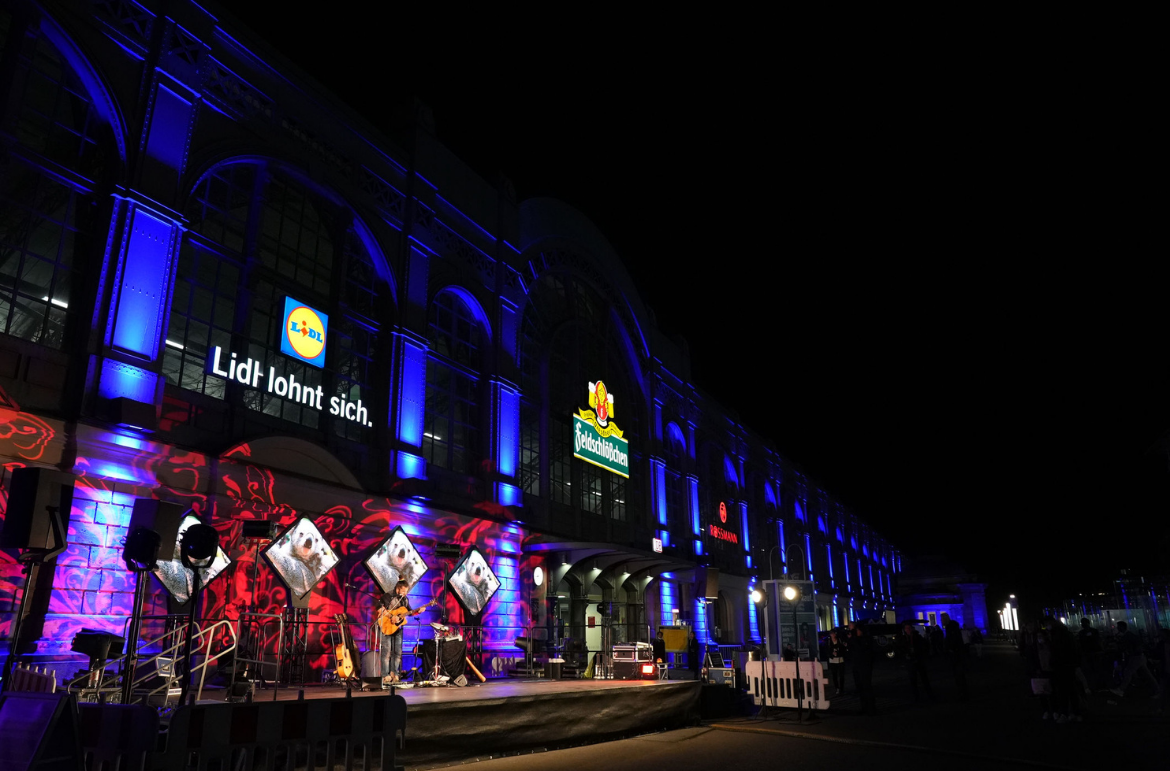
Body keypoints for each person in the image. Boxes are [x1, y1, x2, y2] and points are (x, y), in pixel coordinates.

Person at [378, 579, 422, 688]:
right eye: (403, 591)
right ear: (398, 589)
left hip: (398, 628)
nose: (405, 593)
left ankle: (394, 674)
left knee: (397, 653)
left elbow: (409, 612)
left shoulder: (405, 600)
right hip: (387, 626)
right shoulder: (388, 596)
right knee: (386, 652)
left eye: (406, 591)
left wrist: (418, 611)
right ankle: (385, 675)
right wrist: (391, 616)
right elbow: (380, 610)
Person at [1111, 621, 1161, 699]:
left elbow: (1126, 647)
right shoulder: (1129, 635)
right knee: (1147, 675)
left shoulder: (1127, 636)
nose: (1117, 628)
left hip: (1136, 657)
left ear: (1122, 627)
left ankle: (1121, 689)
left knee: (1128, 672)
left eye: (1118, 626)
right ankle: (1158, 689)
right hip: (1139, 657)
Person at [897, 621, 933, 702]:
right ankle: (916, 697)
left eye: (909, 628)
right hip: (910, 662)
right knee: (913, 681)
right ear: (904, 630)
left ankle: (930, 695)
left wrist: (919, 653)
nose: (908, 630)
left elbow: (925, 646)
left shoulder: (917, 637)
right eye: (906, 628)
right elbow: (900, 649)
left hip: (919, 660)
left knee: (924, 679)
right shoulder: (903, 638)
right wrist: (905, 655)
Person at [941, 612, 969, 701]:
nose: (941, 621)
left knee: (958, 673)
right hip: (957, 653)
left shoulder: (951, 628)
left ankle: (962, 692)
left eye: (942, 619)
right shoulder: (953, 627)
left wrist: (950, 648)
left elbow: (953, 640)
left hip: (956, 654)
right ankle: (962, 691)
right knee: (958, 673)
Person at [850, 625, 876, 714]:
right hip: (857, 666)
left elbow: (861, 650)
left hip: (865, 666)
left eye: (857, 630)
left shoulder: (866, 640)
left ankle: (871, 708)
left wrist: (854, 639)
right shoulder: (857, 639)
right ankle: (864, 707)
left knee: (866, 687)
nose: (856, 632)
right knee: (860, 687)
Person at [1078, 617, 1102, 689]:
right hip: (1093, 652)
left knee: (1091, 669)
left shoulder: (1082, 633)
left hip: (1089, 652)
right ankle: (1097, 684)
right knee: (1095, 669)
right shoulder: (1093, 631)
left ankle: (1094, 685)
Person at [827, 629, 847, 696]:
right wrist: (832, 653)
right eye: (832, 634)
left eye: (834, 633)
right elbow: (826, 650)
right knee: (834, 675)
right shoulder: (828, 641)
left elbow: (843, 649)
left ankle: (842, 688)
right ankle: (837, 688)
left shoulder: (840, 640)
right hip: (833, 661)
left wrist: (838, 653)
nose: (833, 635)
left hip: (840, 660)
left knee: (841, 675)